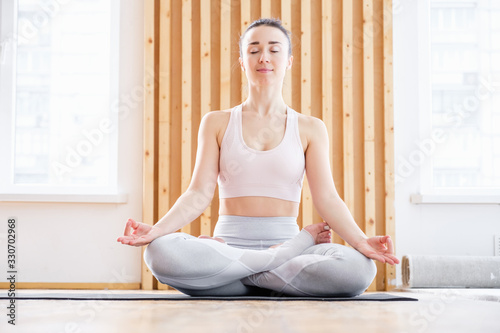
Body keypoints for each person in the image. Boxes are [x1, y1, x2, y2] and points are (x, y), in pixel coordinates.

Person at [117, 18, 399, 297]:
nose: (264, 57)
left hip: (270, 253)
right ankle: (271, 271)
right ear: (242, 61)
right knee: (159, 253)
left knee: (360, 270)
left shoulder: (310, 128)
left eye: (274, 49)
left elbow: (327, 199)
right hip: (235, 249)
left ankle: (235, 280)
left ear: (288, 60)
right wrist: (157, 230)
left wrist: (361, 241)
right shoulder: (217, 122)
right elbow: (198, 194)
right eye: (253, 50)